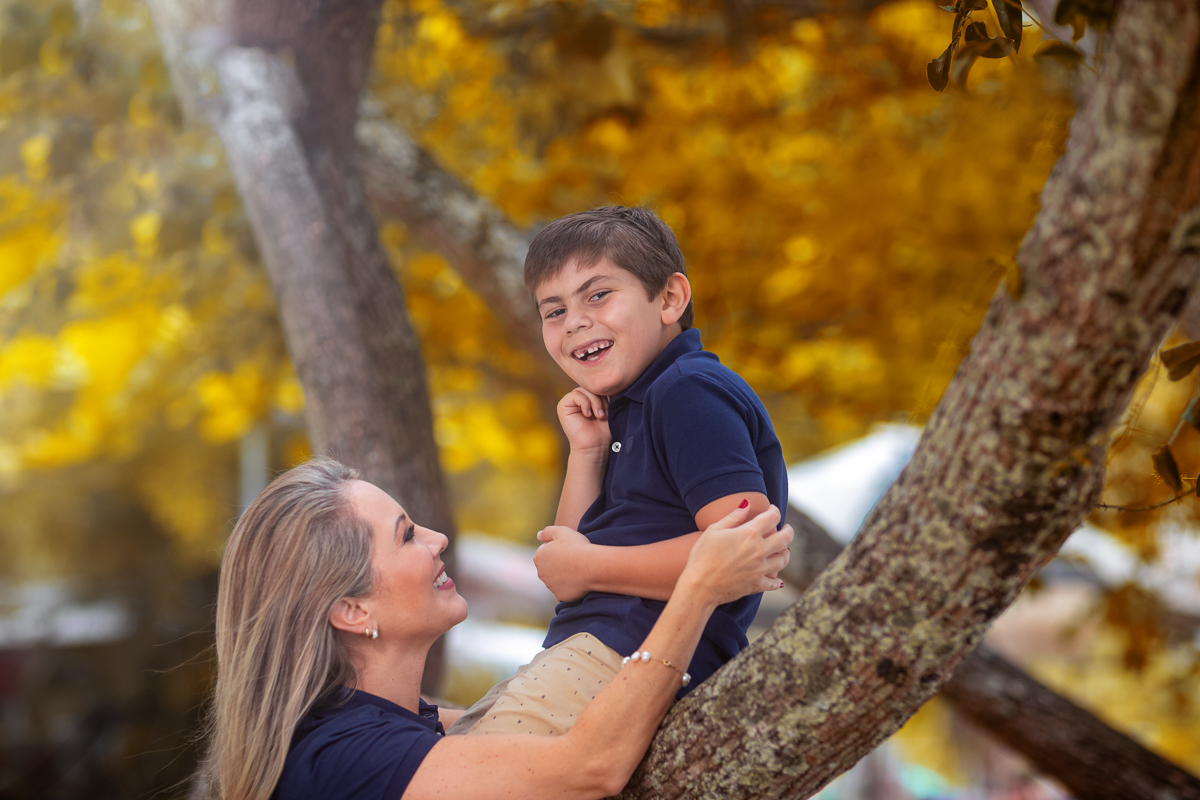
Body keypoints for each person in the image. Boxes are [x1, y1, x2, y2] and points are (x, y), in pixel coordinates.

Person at [203, 457, 792, 800]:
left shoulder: (395, 726)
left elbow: (557, 716)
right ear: (352, 611)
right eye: (407, 535)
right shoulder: (341, 757)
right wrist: (696, 588)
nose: (437, 541)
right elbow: (590, 765)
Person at [448, 206, 789, 737]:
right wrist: (587, 453)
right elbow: (570, 562)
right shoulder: (630, 406)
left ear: (670, 298)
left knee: (471, 775)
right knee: (455, 751)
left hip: (637, 650)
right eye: (553, 311)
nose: (576, 321)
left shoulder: (687, 391)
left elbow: (745, 549)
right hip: (592, 648)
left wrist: (590, 568)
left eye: (598, 294)